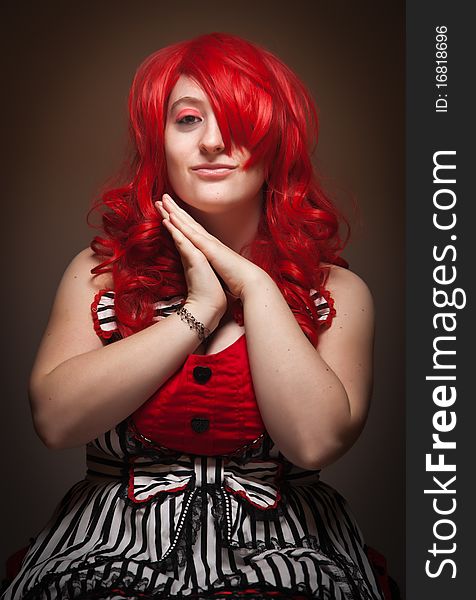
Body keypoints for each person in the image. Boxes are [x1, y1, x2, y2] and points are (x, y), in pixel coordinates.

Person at [2, 32, 395, 599]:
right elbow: (56, 423)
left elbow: (314, 442)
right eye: (187, 119)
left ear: (278, 142)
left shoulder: (337, 293)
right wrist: (199, 310)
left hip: (287, 552)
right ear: (157, 142)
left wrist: (253, 286)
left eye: (241, 120)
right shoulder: (100, 276)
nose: (212, 142)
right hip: (112, 550)